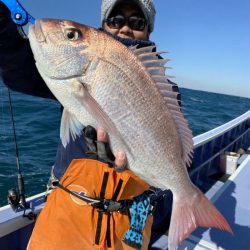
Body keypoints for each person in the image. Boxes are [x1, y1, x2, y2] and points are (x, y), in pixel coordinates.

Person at [0, 0, 177, 248]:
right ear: (103, 26)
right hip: (69, 213)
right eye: (115, 20)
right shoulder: (76, 68)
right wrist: (3, 28)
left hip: (129, 223)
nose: (125, 28)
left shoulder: (165, 91)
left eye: (137, 21)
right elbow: (19, 72)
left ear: (149, 29)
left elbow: (167, 143)